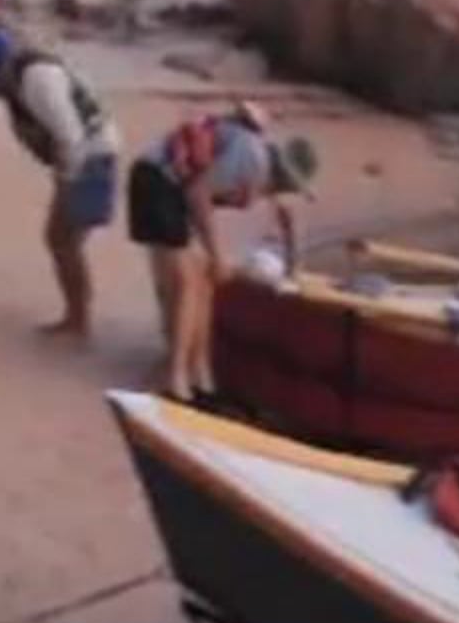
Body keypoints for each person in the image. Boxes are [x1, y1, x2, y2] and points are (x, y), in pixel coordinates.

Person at [127, 104, 317, 401]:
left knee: (202, 281)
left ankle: (200, 373)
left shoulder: (254, 164)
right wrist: (216, 255)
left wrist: (289, 243)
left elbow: (201, 193)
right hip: (156, 183)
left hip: (169, 190)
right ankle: (176, 378)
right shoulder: (252, 159)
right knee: (189, 284)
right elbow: (198, 195)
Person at [0, 23, 120, 338]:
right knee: (63, 241)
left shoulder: (39, 80)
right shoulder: (13, 75)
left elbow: (71, 136)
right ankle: (78, 317)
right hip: (80, 158)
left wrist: (65, 182)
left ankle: (78, 321)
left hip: (91, 156)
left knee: (63, 241)